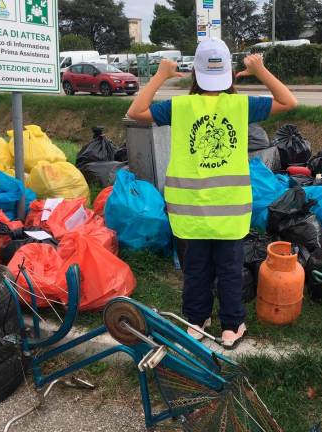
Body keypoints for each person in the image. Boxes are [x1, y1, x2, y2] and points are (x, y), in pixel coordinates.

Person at [128, 38, 298, 349]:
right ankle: (231, 327)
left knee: (195, 270)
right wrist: (260, 69)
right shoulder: (241, 105)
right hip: (230, 212)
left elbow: (136, 111)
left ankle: (196, 321)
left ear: (194, 73)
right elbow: (289, 102)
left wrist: (162, 74)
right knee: (230, 270)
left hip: (188, 212)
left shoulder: (179, 107)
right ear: (230, 74)